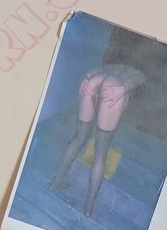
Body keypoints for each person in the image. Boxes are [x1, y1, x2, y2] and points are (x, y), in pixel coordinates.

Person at [51, 64, 145, 216]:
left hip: (95, 81)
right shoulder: (131, 72)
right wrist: (123, 89)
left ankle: (55, 183)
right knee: (101, 150)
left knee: (78, 138)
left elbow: (91, 73)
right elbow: (139, 78)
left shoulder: (111, 67)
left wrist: (85, 80)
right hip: (113, 89)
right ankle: (88, 207)